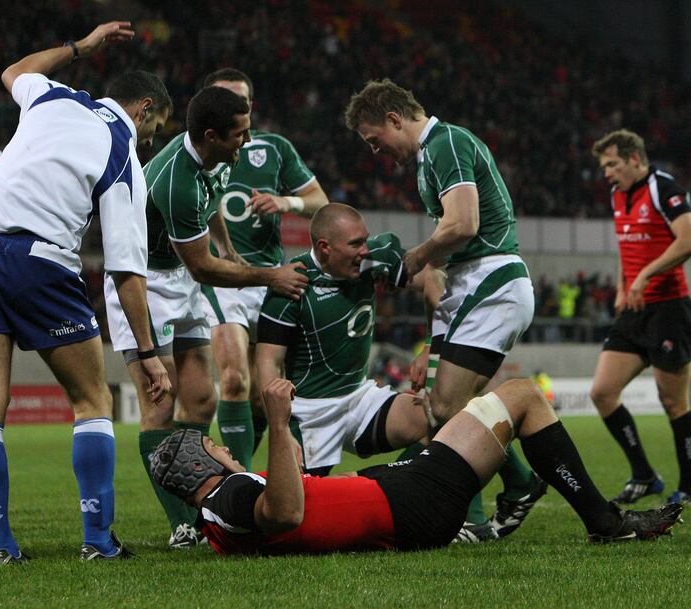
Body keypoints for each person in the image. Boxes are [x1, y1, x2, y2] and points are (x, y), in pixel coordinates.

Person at [0, 21, 173, 564]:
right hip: (38, 263)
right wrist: (147, 354)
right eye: (155, 128)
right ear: (142, 109)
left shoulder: (54, 97)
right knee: (92, 402)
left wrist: (81, 48)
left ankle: (2, 547)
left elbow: (13, 72)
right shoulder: (124, 154)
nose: (151, 140)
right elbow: (126, 272)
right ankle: (97, 540)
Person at [103, 85, 309, 548]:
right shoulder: (177, 179)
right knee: (160, 402)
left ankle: (203, 510)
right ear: (211, 134)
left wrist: (229, 247)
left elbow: (211, 201)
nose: (246, 140)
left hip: (178, 278)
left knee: (201, 401)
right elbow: (204, 268)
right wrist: (267, 276)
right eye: (239, 134)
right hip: (144, 284)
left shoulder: (212, 157)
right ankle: (183, 524)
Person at [151, 377, 682, 555]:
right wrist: (281, 424)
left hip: (400, 496)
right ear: (202, 462)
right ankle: (603, 522)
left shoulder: (218, 517)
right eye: (213, 445)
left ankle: (570, 506)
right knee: (520, 398)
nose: (223, 445)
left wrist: (290, 433)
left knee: (483, 410)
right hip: (410, 502)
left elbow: (297, 494)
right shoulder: (234, 494)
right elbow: (287, 512)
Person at [344, 79, 543, 541]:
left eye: (376, 140)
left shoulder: (446, 142)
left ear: (395, 119)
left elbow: (463, 224)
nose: (376, 152)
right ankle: (517, 482)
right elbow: (448, 253)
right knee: (447, 406)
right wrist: (430, 346)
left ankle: (471, 515)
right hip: (470, 288)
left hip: (491, 281)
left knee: (445, 409)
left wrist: (416, 256)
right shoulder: (427, 160)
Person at [199, 68, 329, 471]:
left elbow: (319, 201)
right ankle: (237, 485)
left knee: (264, 394)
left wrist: (285, 202)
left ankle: (252, 474)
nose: (229, 109)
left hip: (271, 279)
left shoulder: (274, 149)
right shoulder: (195, 151)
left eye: (237, 102)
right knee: (235, 379)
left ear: (250, 108)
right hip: (222, 277)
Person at [256, 204, 429, 477]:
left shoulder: (374, 260)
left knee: (438, 416)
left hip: (360, 400)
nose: (365, 250)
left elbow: (435, 280)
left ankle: (396, 484)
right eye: (355, 244)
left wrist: (431, 345)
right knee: (291, 512)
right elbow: (268, 361)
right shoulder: (291, 286)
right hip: (310, 413)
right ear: (325, 247)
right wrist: (279, 430)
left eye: (365, 239)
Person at [589, 129, 691, 506]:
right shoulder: (618, 195)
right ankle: (645, 475)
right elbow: (626, 244)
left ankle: (689, 486)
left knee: (673, 402)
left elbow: (687, 239)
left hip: (668, 309)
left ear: (635, 159)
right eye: (603, 167)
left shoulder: (663, 188)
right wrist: (622, 284)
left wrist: (645, 275)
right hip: (633, 310)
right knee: (602, 392)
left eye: (612, 164)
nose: (607, 173)